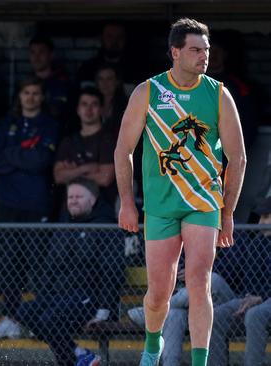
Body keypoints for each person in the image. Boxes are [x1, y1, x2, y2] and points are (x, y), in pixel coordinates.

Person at [114, 18, 247, 366]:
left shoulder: (219, 93)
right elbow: (122, 151)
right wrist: (127, 203)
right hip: (159, 205)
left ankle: (199, 361)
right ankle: (152, 346)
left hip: (203, 202)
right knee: (159, 292)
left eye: (206, 49)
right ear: (175, 52)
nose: (205, 56)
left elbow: (239, 157)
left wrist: (228, 213)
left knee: (200, 281)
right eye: (196, 50)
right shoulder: (148, 92)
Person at [12, 177, 123, 366]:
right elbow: (50, 268)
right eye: (70, 197)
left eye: (79, 196)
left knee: (50, 319)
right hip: (60, 297)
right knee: (25, 311)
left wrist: (105, 310)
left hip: (90, 298)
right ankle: (79, 354)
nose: (73, 200)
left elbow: (111, 271)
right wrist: (43, 296)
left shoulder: (105, 227)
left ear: (93, 200)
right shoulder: (64, 227)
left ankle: (74, 359)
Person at [0, 77, 58, 339]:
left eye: (36, 92)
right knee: (9, 264)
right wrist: (22, 157)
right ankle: (11, 318)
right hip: (8, 203)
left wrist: (11, 155)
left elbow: (41, 161)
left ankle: (40, 319)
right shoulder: (8, 123)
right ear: (20, 96)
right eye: (26, 92)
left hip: (37, 204)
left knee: (38, 265)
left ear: (42, 96)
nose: (31, 97)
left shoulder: (49, 124)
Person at [208, 196, 271, 366]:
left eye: (266, 217)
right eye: (260, 217)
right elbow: (249, 280)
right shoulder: (257, 243)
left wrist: (261, 297)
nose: (260, 223)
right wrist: (250, 297)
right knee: (215, 317)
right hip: (254, 298)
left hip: (263, 301)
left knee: (255, 315)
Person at [54, 86, 116, 208]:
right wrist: (86, 168)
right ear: (77, 109)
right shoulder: (68, 141)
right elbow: (59, 177)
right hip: (71, 208)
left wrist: (72, 173)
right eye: (84, 104)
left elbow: (105, 178)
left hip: (101, 208)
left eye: (94, 104)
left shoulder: (108, 141)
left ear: (102, 110)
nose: (89, 109)